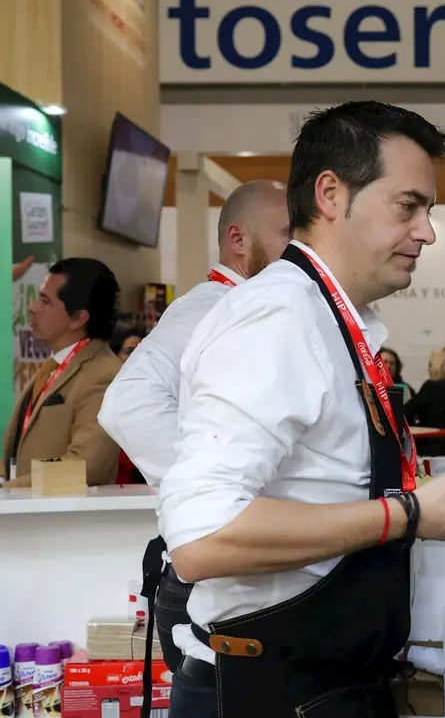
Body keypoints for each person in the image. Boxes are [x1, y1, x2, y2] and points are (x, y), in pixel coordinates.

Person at [157, 101, 445, 718]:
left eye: (428, 211)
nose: (427, 232)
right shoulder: (278, 317)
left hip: (327, 683)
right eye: (407, 206)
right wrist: (409, 513)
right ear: (331, 194)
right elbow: (203, 536)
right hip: (269, 693)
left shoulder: (333, 321)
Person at [98, 179, 290, 680]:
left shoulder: (247, 308)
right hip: (208, 580)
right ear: (239, 239)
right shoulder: (214, 307)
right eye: (289, 234)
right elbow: (126, 404)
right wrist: (217, 497)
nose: (302, 250)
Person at [2, 258, 122, 487]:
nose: (32, 307)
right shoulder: (56, 366)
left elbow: (86, 465)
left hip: (62, 518)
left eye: (45, 301)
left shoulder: (103, 375)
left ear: (78, 318)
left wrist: (9, 489)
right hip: (26, 513)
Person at [404, 348, 445, 455]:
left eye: (430, 365)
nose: (428, 369)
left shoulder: (431, 386)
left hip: (432, 447)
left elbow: (406, 411)